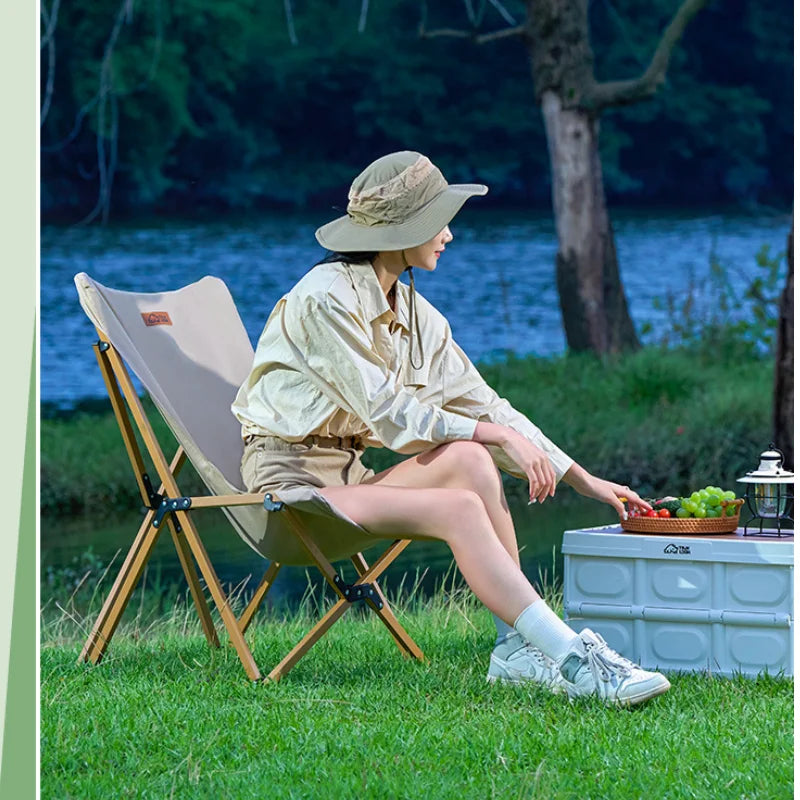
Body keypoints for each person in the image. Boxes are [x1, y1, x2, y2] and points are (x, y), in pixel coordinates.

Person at [232, 151, 670, 706]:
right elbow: (391, 413)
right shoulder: (324, 299)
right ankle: (577, 661)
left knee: (470, 460)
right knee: (461, 500)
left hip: (348, 480)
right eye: (438, 222)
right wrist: (491, 435)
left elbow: (489, 407)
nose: (449, 236)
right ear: (402, 231)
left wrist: (584, 480)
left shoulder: (416, 314)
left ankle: (515, 649)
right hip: (288, 494)